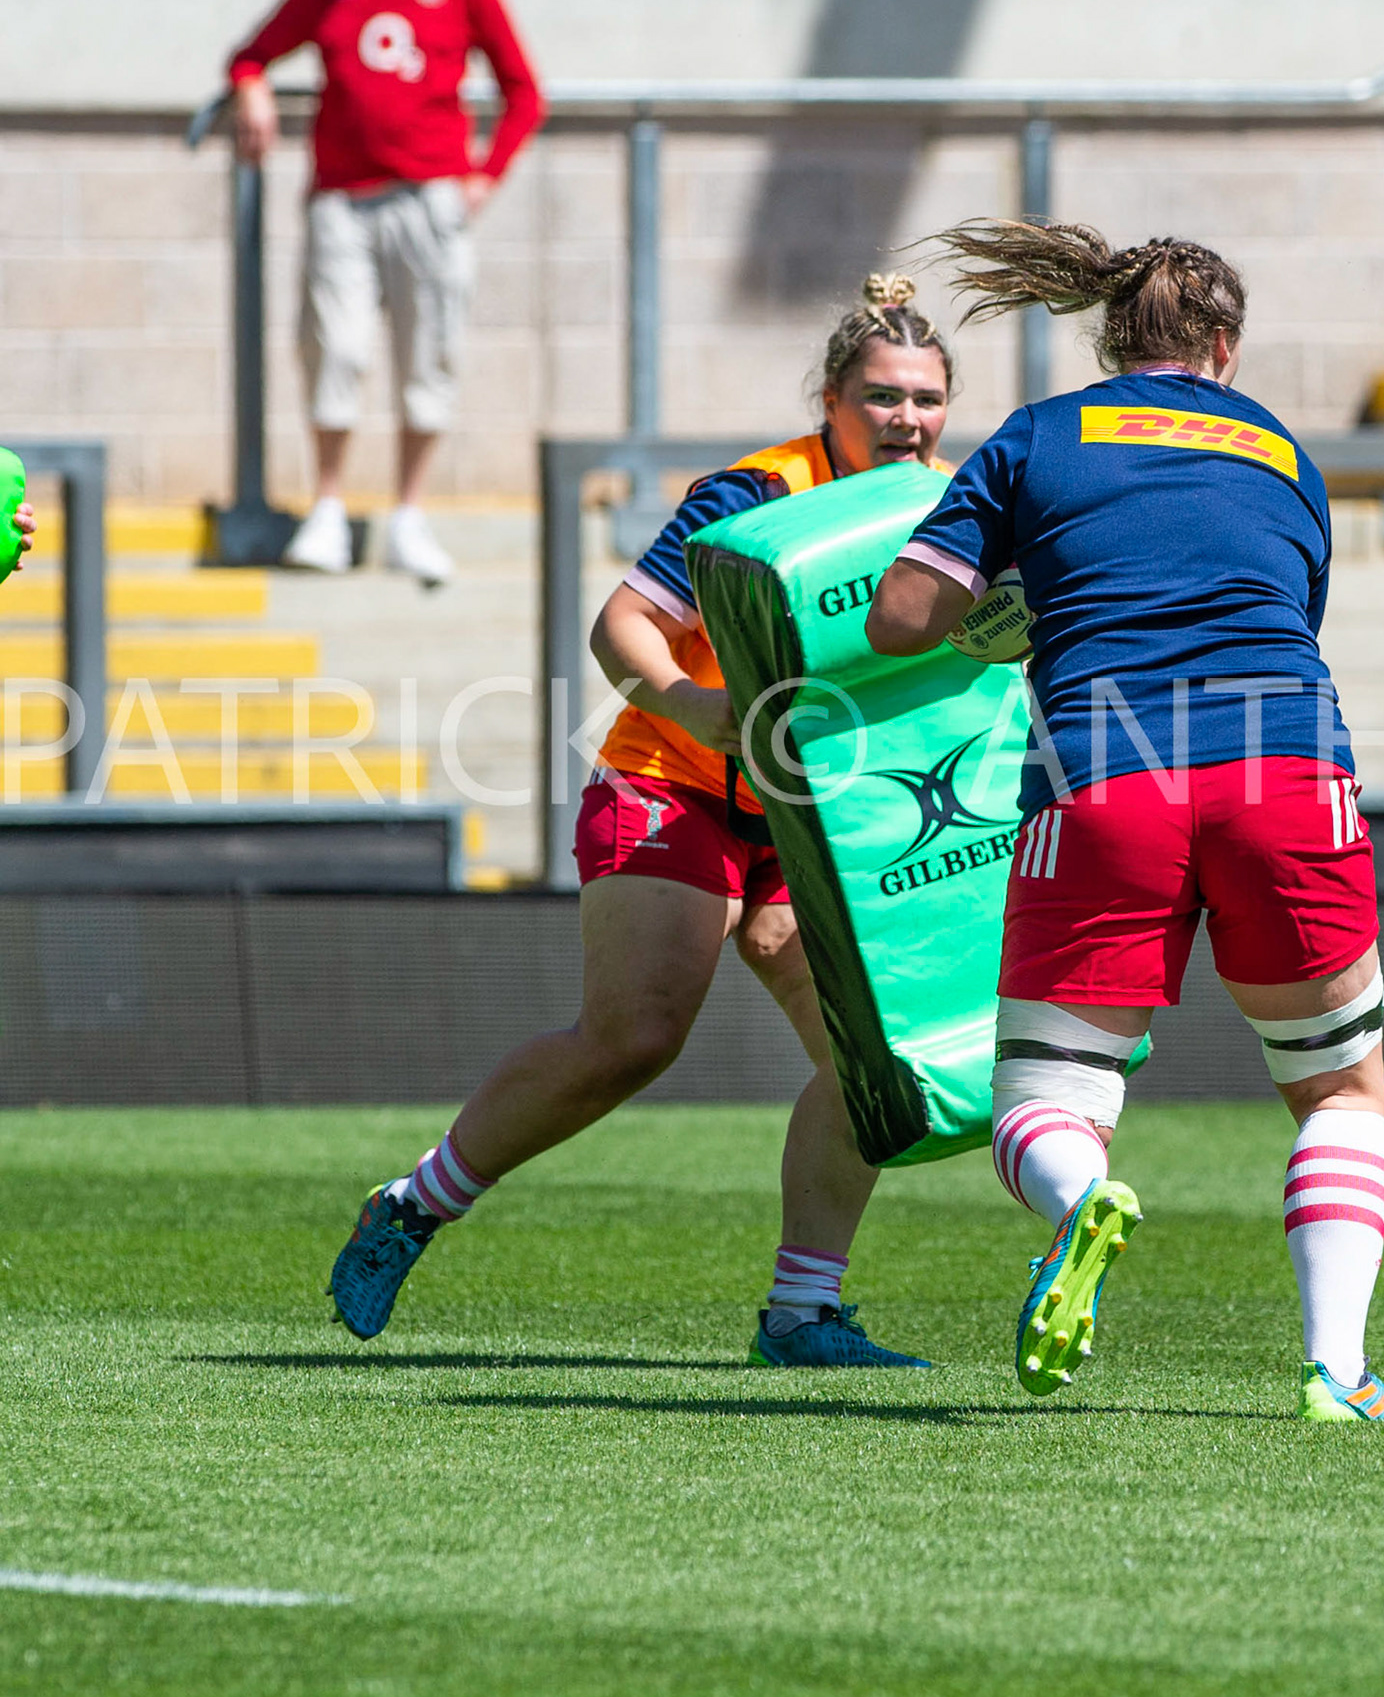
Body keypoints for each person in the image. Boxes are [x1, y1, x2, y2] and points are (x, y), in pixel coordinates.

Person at [866, 221, 1384, 1423]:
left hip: (1106, 767)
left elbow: (902, 617)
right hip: (1290, 764)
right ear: (1223, 348)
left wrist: (1003, 612)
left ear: (1108, 340)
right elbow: (1283, 603)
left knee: (1042, 1098)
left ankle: (1084, 1202)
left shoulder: (1041, 434)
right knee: (1340, 1093)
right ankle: (1337, 1374)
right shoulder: (1283, 450)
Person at [327, 277, 954, 1367]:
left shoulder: (943, 501)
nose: (909, 419)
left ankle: (802, 1314)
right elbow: (623, 621)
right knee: (634, 1038)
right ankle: (413, 1204)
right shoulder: (751, 494)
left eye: (928, 399)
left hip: (817, 816)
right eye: (884, 396)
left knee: (875, 1062)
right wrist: (694, 701)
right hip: (677, 781)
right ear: (831, 397)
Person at [225, 0, 545, 587]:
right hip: (342, 199)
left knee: (428, 354)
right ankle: (330, 508)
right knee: (335, 349)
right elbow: (251, 53)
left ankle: (408, 514)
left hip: (429, 198)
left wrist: (484, 175)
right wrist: (252, 87)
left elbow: (523, 91)